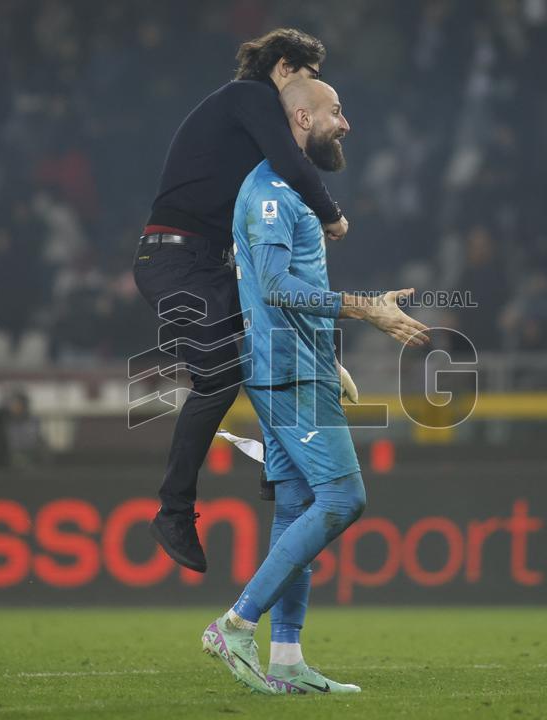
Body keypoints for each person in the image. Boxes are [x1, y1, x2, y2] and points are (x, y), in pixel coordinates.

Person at [201, 79, 429, 695]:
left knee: (300, 506)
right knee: (343, 498)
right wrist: (366, 311)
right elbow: (275, 286)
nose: (345, 122)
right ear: (301, 116)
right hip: (286, 372)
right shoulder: (272, 192)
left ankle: (287, 658)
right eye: (335, 111)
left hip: (300, 364)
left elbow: (286, 290)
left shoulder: (291, 188)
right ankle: (236, 623)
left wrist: (330, 354)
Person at [133, 29, 349, 574]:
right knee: (218, 375)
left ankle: (279, 464)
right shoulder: (249, 97)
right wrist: (332, 214)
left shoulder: (244, 125)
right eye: (305, 76)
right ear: (283, 68)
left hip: (203, 263)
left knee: (269, 344)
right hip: (174, 261)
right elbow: (297, 165)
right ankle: (174, 510)